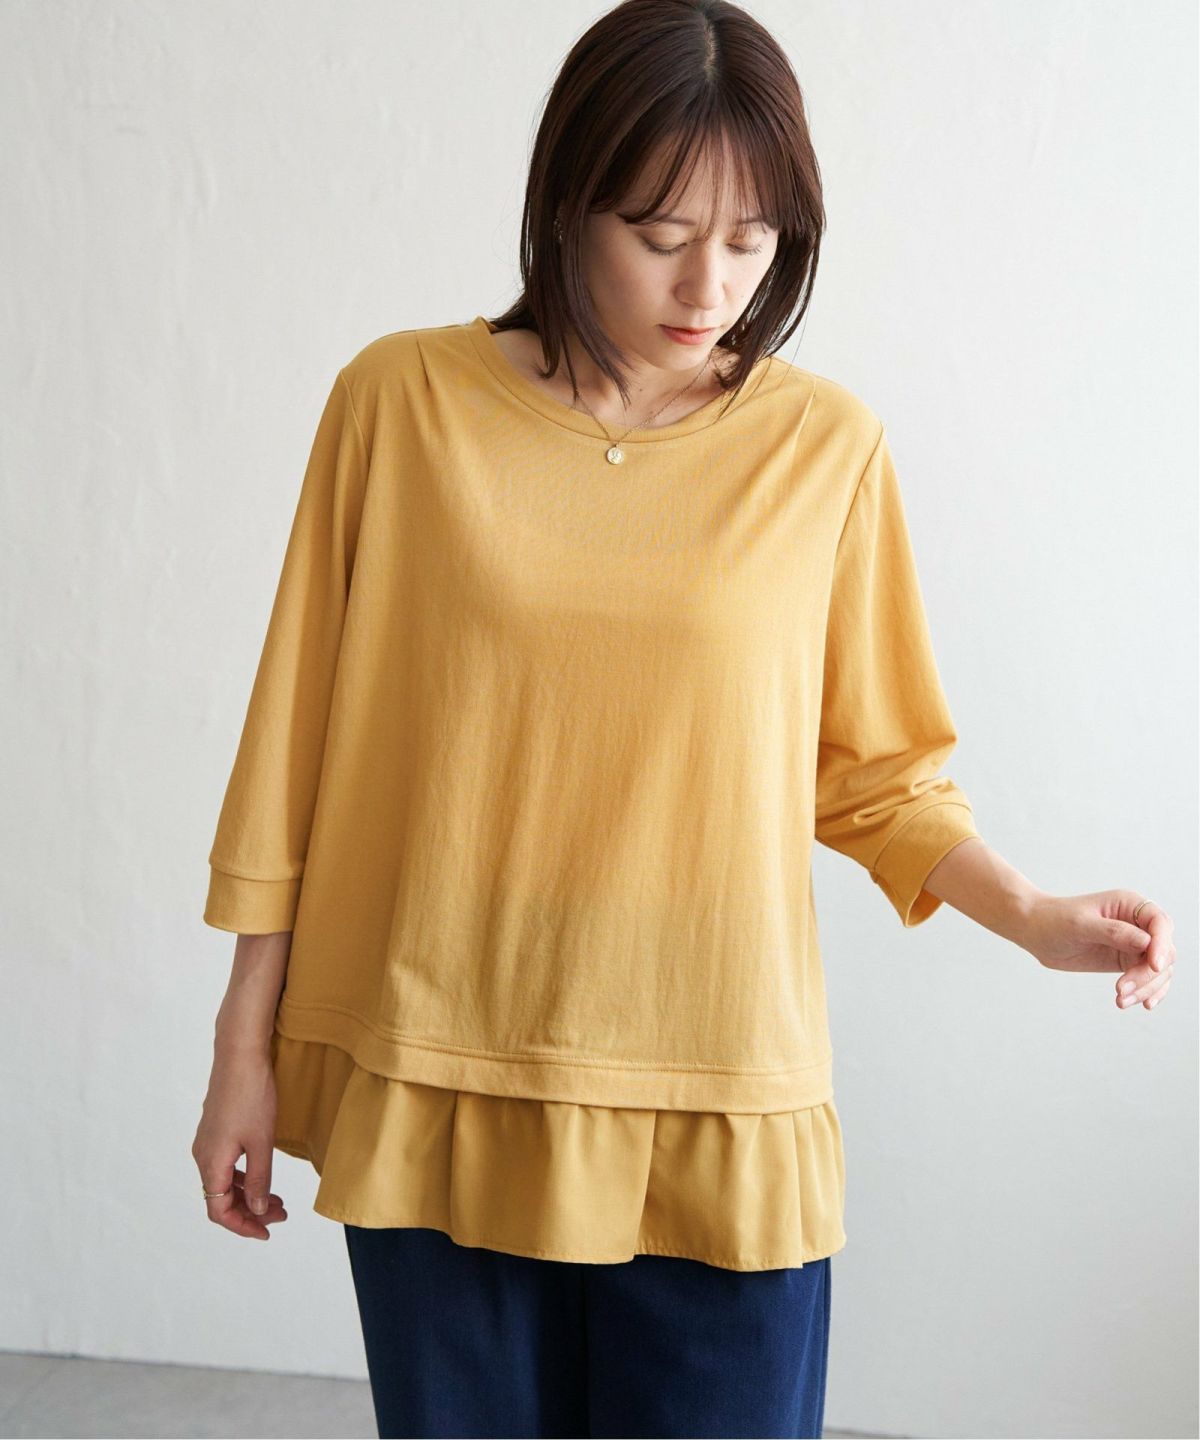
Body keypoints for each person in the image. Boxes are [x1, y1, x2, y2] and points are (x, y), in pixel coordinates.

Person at [191, 1, 1177, 1436]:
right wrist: (244, 1048)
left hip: (718, 1085)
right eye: (659, 234)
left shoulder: (824, 449)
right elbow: (295, 752)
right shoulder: (400, 404)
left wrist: (1030, 916)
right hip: (440, 1064)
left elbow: (875, 773)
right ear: (566, 202)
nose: (708, 283)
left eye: (753, 239)